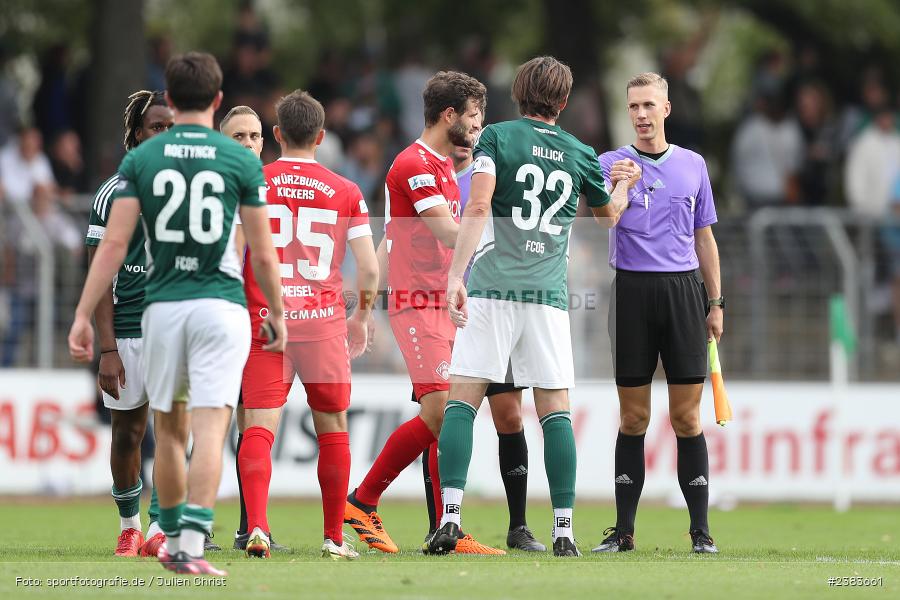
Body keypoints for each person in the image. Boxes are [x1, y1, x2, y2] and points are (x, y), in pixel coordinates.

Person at [68, 51, 286, 576]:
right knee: (208, 429)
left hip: (163, 309)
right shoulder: (238, 159)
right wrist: (276, 310)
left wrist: (79, 315)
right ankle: (185, 542)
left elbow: (114, 245)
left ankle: (163, 533)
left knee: (166, 431)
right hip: (221, 307)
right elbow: (260, 248)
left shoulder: (142, 161)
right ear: (216, 100)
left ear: (170, 93)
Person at [428, 56, 631, 557]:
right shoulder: (582, 153)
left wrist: (457, 274)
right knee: (554, 411)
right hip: (547, 298)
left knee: (463, 399)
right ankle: (563, 529)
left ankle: (450, 518)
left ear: (518, 92)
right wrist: (624, 184)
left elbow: (478, 206)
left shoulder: (496, 137)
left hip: (494, 286)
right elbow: (607, 218)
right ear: (563, 102)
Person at [343, 71, 499, 555]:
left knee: (447, 414)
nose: (478, 127)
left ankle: (445, 529)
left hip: (441, 302)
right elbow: (450, 234)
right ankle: (363, 501)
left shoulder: (441, 166)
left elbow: (392, 236)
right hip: (416, 305)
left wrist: (365, 305)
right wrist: (502, 231)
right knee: (440, 414)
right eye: (474, 117)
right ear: (450, 115)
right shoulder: (414, 163)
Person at [237, 89, 378, 560]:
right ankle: (334, 538)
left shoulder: (253, 181)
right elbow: (369, 268)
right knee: (333, 430)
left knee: (258, 427)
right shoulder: (346, 191)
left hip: (267, 322)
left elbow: (238, 251)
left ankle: (257, 527)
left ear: (276, 135)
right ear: (321, 136)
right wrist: (360, 317)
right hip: (322, 326)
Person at [593, 72, 722, 555]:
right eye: (633, 107)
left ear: (666, 108)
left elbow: (705, 237)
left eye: (649, 105)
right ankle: (624, 532)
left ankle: (701, 532)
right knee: (633, 417)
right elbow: (602, 218)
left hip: (684, 293)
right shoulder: (610, 163)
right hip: (631, 293)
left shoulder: (693, 165)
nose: (642, 115)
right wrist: (619, 188)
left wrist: (716, 302)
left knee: (687, 418)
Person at [418, 144, 545, 552]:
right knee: (441, 416)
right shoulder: (433, 181)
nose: (469, 134)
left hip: (496, 308)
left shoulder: (497, 175)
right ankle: (440, 522)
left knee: (509, 415)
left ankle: (519, 526)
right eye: (465, 122)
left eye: (477, 123)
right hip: (449, 313)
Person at [83, 90, 174, 557]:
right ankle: (129, 525)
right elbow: (98, 276)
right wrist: (107, 348)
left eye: (171, 128)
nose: (164, 135)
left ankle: (160, 527)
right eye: (156, 127)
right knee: (129, 433)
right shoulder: (112, 193)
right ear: (137, 133)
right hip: (128, 332)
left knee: (174, 433)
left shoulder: (189, 185)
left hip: (175, 327)